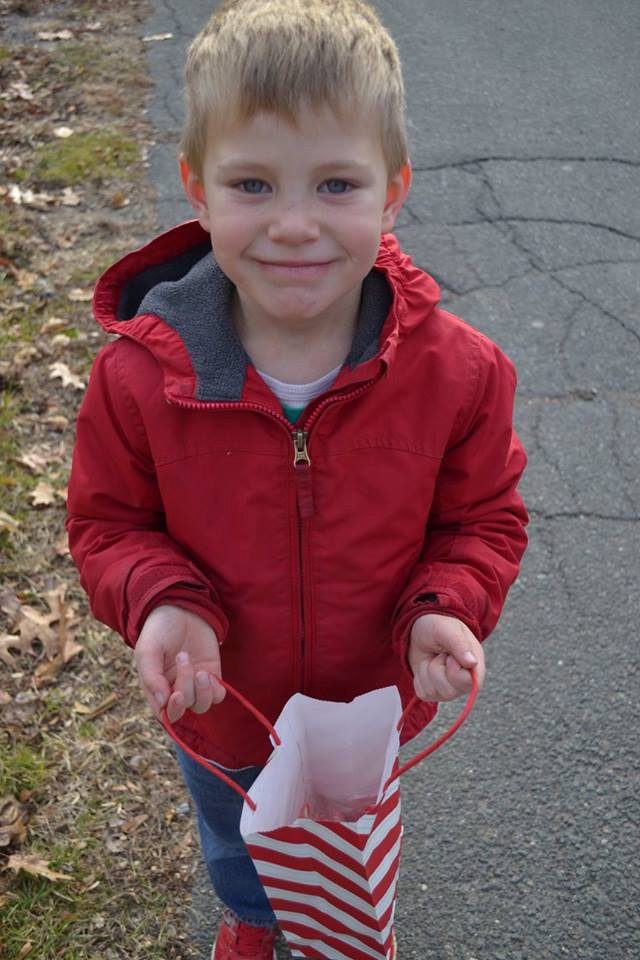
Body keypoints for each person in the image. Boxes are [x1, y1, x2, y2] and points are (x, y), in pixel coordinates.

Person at [66, 1, 528, 957]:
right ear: (196, 188)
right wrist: (165, 602)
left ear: (392, 190)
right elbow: (108, 525)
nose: (293, 225)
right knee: (237, 833)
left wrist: (445, 606)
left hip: (366, 701)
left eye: (335, 184)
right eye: (252, 183)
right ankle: (251, 915)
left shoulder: (460, 372)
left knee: (345, 835)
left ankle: (340, 915)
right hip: (223, 701)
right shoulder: (138, 377)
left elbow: (483, 519)